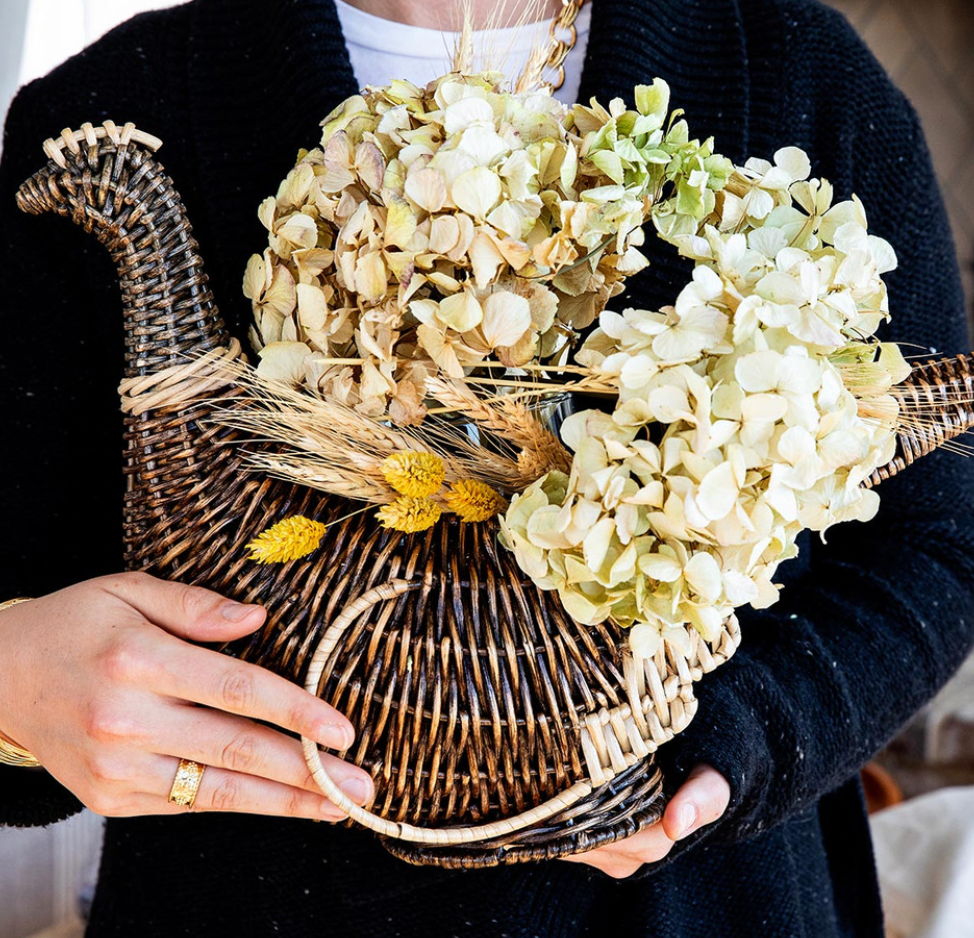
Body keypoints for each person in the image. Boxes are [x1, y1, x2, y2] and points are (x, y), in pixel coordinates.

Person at [0, 0, 971, 935]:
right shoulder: (99, 114)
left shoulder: (804, 72)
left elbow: (940, 541)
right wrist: (14, 691)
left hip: (708, 907)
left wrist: (731, 746)